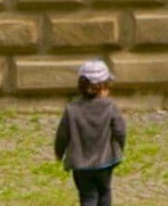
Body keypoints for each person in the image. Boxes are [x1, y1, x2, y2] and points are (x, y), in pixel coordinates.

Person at [53, 58, 126, 206]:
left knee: (87, 196)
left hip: (81, 165)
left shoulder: (72, 109)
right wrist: (120, 146)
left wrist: (59, 152)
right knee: (104, 191)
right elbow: (120, 130)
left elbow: (62, 135)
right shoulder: (109, 107)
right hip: (105, 161)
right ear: (103, 87)